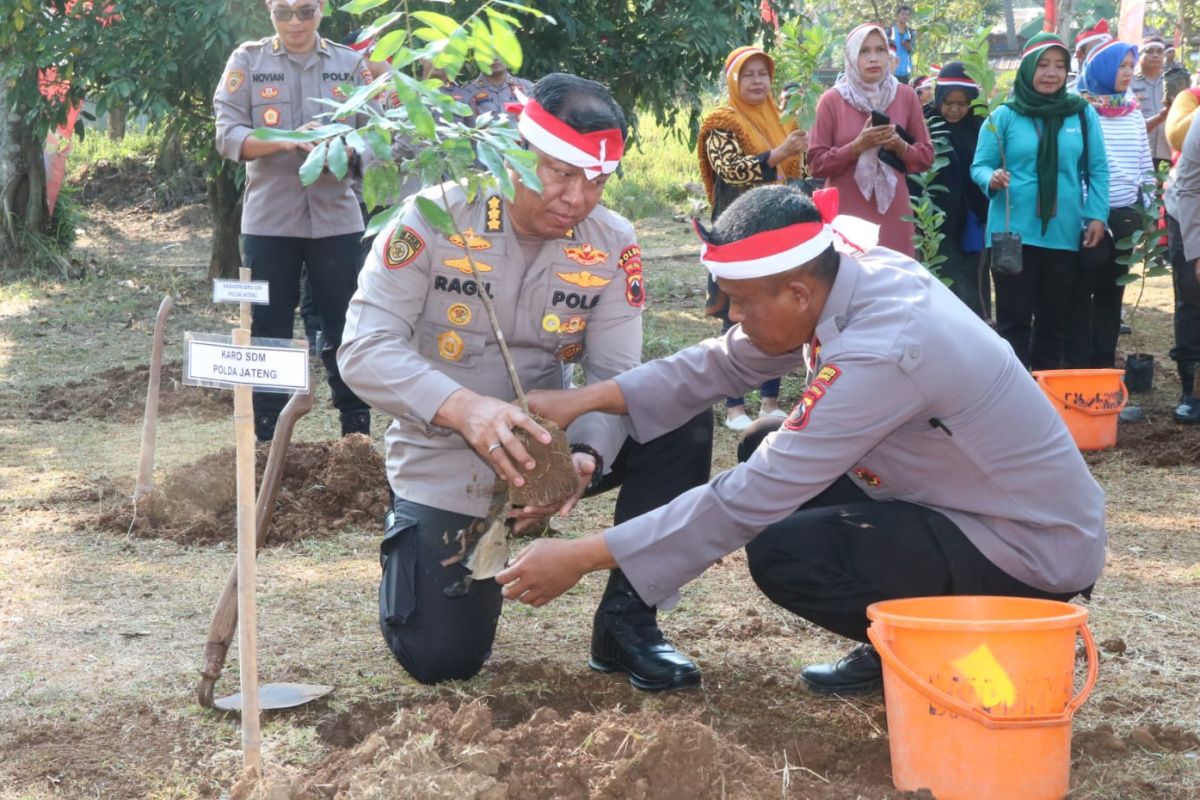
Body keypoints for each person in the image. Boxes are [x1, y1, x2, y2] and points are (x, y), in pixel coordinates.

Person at [494, 184, 1105, 697]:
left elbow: (747, 499)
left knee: (789, 552)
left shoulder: (885, 348)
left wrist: (578, 555)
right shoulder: (850, 276)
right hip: (965, 502)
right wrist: (583, 400)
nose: (733, 318)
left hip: (1027, 549)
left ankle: (946, 650)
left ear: (797, 295)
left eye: (738, 303)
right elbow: (721, 364)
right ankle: (905, 635)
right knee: (763, 442)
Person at [338, 73, 713, 690]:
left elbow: (617, 377)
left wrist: (586, 455)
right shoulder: (434, 218)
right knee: (440, 659)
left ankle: (628, 622)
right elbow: (364, 348)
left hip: (547, 446)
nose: (577, 198)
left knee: (678, 415)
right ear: (516, 154)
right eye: (560, 173)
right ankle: (416, 532)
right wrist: (465, 409)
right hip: (445, 451)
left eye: (596, 181)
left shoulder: (614, 243)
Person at [214, 0, 376, 441]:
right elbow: (227, 134)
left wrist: (342, 153)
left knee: (346, 323)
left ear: (321, 8)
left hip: (338, 221)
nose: (295, 22)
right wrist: (288, 141)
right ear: (269, 9)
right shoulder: (247, 60)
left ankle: (355, 434)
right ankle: (268, 438)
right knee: (269, 328)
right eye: (283, 12)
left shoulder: (350, 63)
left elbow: (378, 135)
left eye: (305, 10)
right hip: (269, 223)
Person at [970, 32, 1109, 371]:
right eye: (1043, 65)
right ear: (1028, 67)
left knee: (1053, 324)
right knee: (1013, 324)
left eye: (1060, 66)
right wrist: (992, 178)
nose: (1051, 73)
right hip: (1013, 234)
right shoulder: (1003, 115)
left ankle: (1048, 399)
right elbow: (980, 165)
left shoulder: (1080, 113)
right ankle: (1015, 397)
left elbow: (1098, 168)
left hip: (1063, 234)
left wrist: (1096, 215)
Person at [698, 45, 807, 430]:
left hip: (778, 229)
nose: (758, 81)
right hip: (738, 232)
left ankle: (770, 402)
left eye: (763, 74)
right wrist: (777, 154)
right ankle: (734, 407)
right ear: (734, 80)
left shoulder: (783, 119)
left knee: (777, 311)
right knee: (736, 313)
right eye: (749, 74)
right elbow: (730, 169)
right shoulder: (720, 122)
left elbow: (801, 169)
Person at [808, 23, 933, 256]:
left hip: (894, 212)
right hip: (846, 212)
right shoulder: (832, 100)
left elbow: (925, 157)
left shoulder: (905, 96)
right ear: (851, 56)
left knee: (897, 281)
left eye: (880, 50)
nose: (873, 58)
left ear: (889, 55)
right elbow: (816, 164)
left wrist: (900, 145)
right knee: (850, 282)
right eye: (864, 51)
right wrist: (856, 147)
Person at [1067, 41, 1153, 369]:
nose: (1129, 73)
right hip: (1089, 216)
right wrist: (1090, 213)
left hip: (1126, 215)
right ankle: (1076, 366)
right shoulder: (1078, 107)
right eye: (1122, 66)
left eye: (1132, 66)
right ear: (1103, 68)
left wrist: (1146, 207)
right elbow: (1077, 163)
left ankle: (1103, 365)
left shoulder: (1131, 105)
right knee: (1081, 292)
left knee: (1111, 294)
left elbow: (1144, 159)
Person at [921, 63, 989, 316]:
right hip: (935, 223)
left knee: (973, 286)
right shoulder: (925, 124)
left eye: (962, 104)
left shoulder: (980, 127)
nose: (954, 109)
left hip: (973, 222)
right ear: (938, 98)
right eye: (948, 102)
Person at [1164, 98, 1200, 423]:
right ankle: (1192, 392)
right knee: (1193, 293)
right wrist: (1198, 252)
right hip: (1190, 206)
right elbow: (1190, 189)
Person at [1131, 35, 1172, 169]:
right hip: (1139, 153)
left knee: (1164, 189)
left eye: (1159, 52)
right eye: (1149, 51)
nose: (1155, 55)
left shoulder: (1172, 81)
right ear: (1139, 56)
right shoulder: (1128, 82)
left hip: (1167, 152)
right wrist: (1160, 117)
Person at [464, 57, 533, 119]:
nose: (495, 58)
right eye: (489, 54)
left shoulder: (527, 88)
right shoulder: (468, 92)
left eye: (499, 53)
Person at [1072, 19, 1112, 91]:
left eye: (1107, 53)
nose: (1104, 59)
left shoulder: (1120, 92)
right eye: (1096, 53)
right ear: (1080, 56)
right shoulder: (1070, 96)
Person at [888, 5, 915, 85]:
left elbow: (913, 51)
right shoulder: (890, 31)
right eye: (903, 14)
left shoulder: (911, 32)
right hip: (892, 72)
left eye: (907, 14)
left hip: (905, 73)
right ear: (897, 15)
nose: (905, 16)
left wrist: (907, 45)